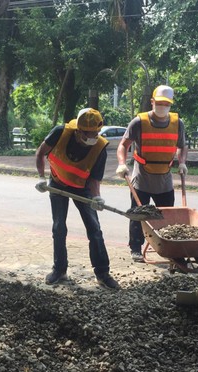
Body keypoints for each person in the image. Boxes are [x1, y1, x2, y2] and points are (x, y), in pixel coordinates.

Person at [35, 108, 120, 290]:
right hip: (57, 184)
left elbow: (94, 179)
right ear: (78, 130)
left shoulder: (99, 147)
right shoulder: (60, 133)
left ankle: (102, 274)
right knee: (59, 227)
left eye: (95, 133)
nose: (93, 137)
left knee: (94, 229)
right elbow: (41, 153)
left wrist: (96, 197)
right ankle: (59, 270)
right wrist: (42, 178)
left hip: (82, 189)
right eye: (88, 134)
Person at [115, 85, 188, 262]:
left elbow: (183, 146)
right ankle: (135, 248)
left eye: (166, 103)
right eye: (160, 102)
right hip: (142, 178)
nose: (163, 106)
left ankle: (171, 248)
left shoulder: (177, 123)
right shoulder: (139, 122)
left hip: (164, 178)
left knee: (167, 216)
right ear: (152, 101)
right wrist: (122, 164)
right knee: (139, 214)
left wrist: (183, 162)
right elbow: (123, 145)